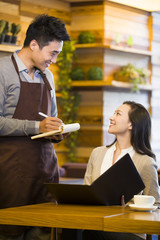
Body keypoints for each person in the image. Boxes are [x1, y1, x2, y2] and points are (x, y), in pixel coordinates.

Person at [0, 14, 70, 239]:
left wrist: (56, 130)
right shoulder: (2, 71)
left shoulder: (48, 76)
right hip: (11, 174)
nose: (55, 60)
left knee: (43, 234)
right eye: (53, 53)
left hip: (46, 173)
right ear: (33, 44)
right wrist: (36, 127)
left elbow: (51, 118)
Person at [83, 101, 160, 240]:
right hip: (96, 224)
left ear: (131, 124)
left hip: (129, 232)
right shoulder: (97, 153)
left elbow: (155, 206)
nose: (111, 117)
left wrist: (128, 210)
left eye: (118, 114)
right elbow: (86, 192)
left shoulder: (145, 162)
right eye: (113, 113)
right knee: (72, 229)